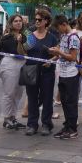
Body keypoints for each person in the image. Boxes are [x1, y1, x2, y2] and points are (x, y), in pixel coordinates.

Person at [24, 7, 58, 136]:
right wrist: (20, 44)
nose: (36, 22)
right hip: (32, 70)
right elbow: (24, 51)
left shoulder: (52, 38)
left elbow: (57, 54)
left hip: (47, 71)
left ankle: (46, 124)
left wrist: (51, 60)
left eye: (39, 20)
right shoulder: (30, 36)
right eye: (36, 19)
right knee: (32, 98)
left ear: (46, 21)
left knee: (47, 98)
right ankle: (32, 124)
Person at [48, 15, 80, 139]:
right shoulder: (64, 36)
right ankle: (67, 126)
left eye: (58, 28)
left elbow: (72, 57)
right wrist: (51, 59)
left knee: (71, 102)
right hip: (62, 73)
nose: (58, 31)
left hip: (71, 74)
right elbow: (60, 54)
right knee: (65, 102)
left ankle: (72, 129)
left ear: (63, 24)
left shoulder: (73, 37)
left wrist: (59, 52)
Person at [0, 14, 27, 130]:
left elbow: (26, 50)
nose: (18, 23)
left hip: (21, 64)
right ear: (11, 23)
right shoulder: (7, 37)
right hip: (9, 64)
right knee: (9, 92)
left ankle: (13, 117)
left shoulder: (24, 36)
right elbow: (15, 51)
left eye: (20, 21)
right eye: (16, 21)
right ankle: (6, 118)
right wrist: (19, 42)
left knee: (18, 93)